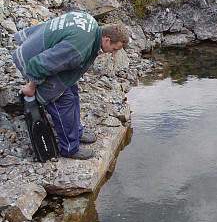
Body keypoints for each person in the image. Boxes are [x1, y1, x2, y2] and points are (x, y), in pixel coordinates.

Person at [11, 11, 129, 160]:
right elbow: (40, 64)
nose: (113, 53)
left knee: (72, 91)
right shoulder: (79, 49)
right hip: (30, 60)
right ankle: (69, 148)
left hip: (37, 47)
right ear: (106, 40)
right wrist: (31, 86)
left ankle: (76, 132)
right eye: (115, 49)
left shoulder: (90, 23)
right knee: (63, 102)